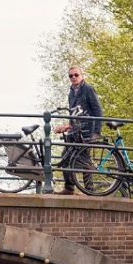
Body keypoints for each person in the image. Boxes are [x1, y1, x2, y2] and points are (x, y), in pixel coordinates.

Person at [53, 65, 103, 195]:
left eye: (76, 75)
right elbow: (73, 113)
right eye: (71, 76)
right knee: (65, 156)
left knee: (85, 160)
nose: (74, 77)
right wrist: (67, 126)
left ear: (81, 75)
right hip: (75, 130)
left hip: (87, 130)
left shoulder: (88, 89)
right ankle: (69, 188)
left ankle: (89, 190)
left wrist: (96, 132)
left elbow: (98, 111)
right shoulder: (71, 93)